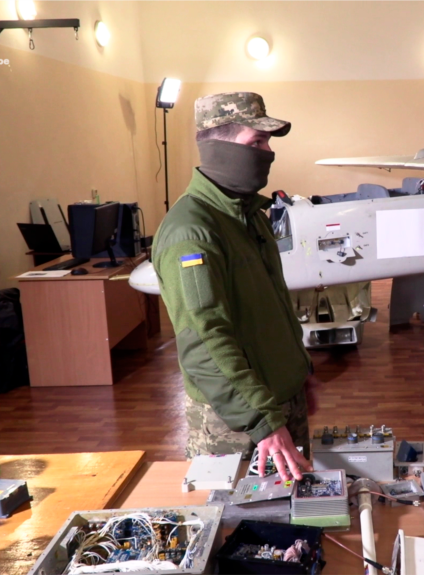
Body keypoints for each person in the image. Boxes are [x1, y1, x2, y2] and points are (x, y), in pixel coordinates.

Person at [152, 92, 315, 481]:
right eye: (256, 142)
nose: (268, 152)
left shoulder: (247, 214)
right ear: (218, 147)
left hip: (276, 405)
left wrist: (298, 375)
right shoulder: (192, 232)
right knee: (238, 529)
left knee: (296, 525)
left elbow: (269, 306)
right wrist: (262, 421)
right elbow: (206, 343)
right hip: (239, 422)